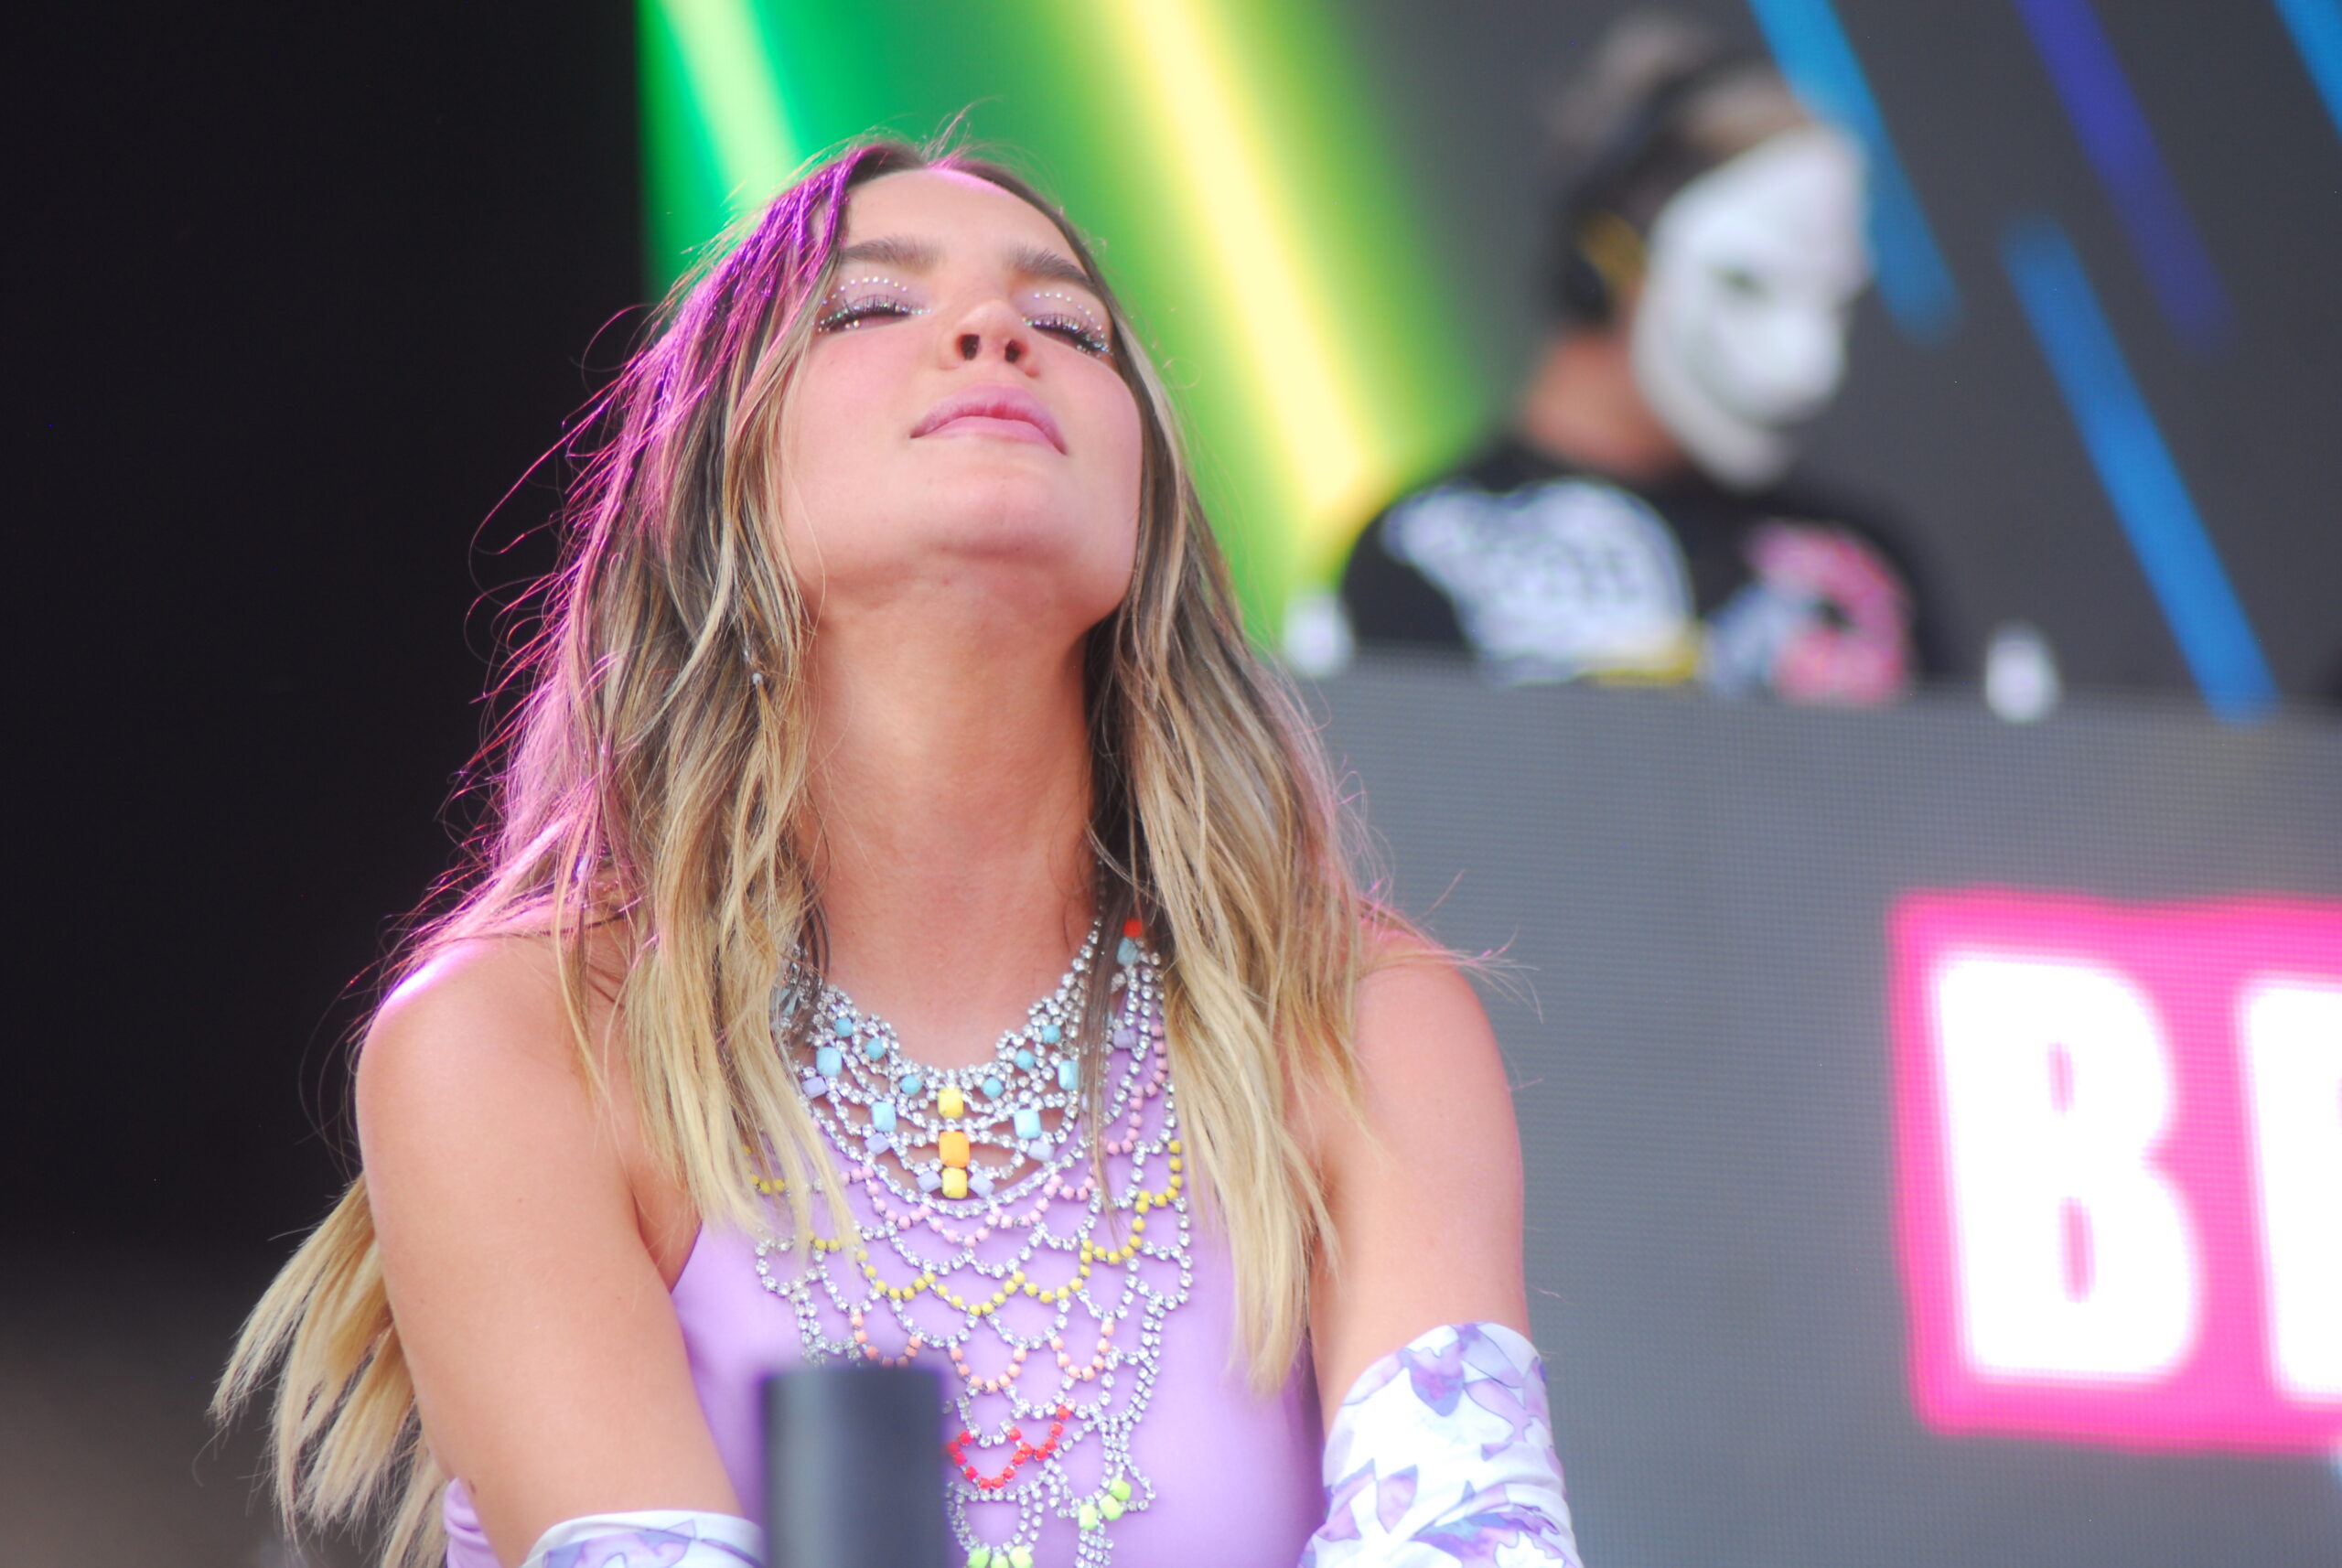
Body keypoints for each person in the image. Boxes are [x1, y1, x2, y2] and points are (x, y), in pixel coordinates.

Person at [217, 141, 1584, 1568]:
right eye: (870, 307)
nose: (994, 331)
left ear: (1151, 514)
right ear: (721, 481)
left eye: (1068, 326)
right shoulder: (524, 1035)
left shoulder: (1358, 1017)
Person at [1331, 16, 1945, 703]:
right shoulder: (1426, 547)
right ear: (1606, 263)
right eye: (1751, 285)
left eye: (1832, 302)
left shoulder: (1866, 563)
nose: (1810, 364)